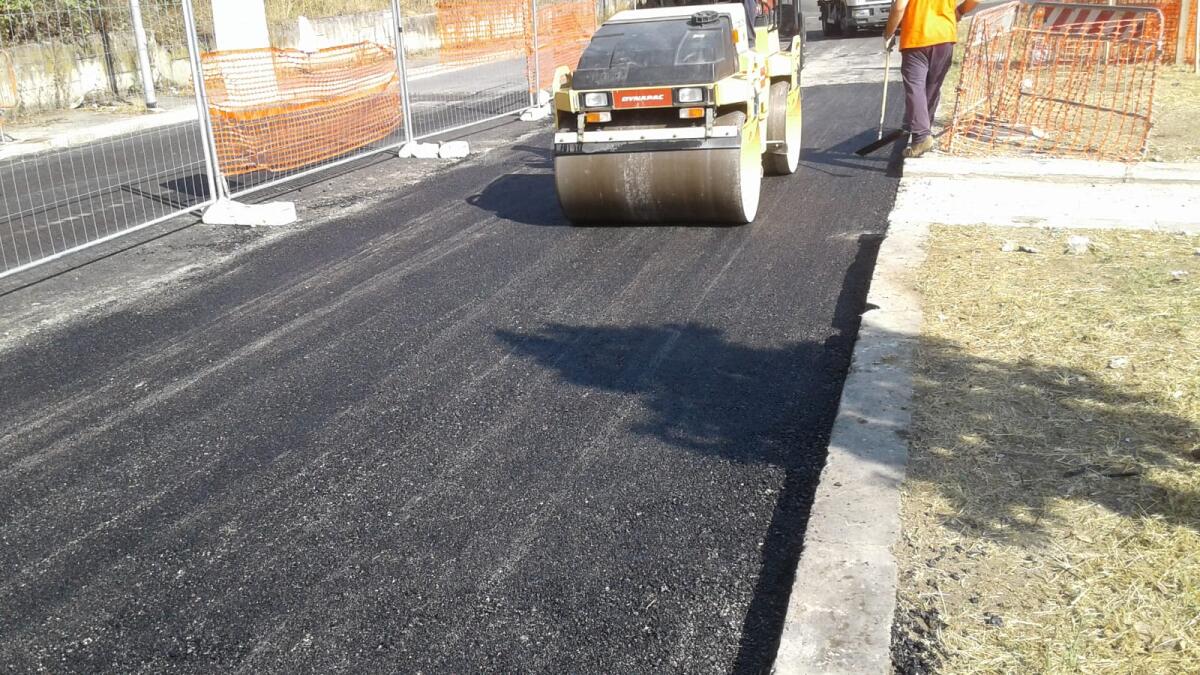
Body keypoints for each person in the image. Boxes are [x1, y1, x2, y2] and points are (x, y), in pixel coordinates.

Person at [883, 0, 977, 157]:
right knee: (932, 87)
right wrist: (960, 11)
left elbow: (899, 7)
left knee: (916, 88)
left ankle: (921, 136)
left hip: (916, 39)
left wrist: (888, 33)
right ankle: (923, 129)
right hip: (944, 38)